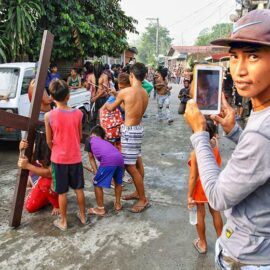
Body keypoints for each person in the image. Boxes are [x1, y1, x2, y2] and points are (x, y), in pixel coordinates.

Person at [184, 9, 270, 269]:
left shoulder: (261, 130)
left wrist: (200, 133)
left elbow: (218, 197)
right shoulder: (261, 115)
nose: (240, 70)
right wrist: (234, 131)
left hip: (247, 255)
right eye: (234, 57)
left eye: (253, 56)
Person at [105, 63, 150, 213]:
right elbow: (129, 109)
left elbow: (112, 108)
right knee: (136, 162)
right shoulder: (144, 92)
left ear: (131, 75)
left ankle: (142, 199)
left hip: (129, 132)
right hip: (137, 129)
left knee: (129, 166)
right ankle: (138, 193)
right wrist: (116, 95)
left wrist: (107, 103)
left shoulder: (126, 92)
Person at [45, 80, 86, 231]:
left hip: (59, 159)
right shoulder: (79, 113)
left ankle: (63, 221)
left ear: (51, 97)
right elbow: (80, 136)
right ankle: (82, 216)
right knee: (79, 189)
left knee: (62, 192)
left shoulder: (49, 116)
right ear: (68, 96)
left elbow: (49, 141)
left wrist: (56, 149)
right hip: (75, 157)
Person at [188, 119, 223, 254]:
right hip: (215, 182)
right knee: (216, 213)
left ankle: (202, 244)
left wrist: (189, 195)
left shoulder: (196, 152)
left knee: (200, 215)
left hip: (201, 187)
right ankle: (222, 243)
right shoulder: (215, 143)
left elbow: (193, 177)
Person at [84, 125, 124, 216]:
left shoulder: (89, 139)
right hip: (120, 159)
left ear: (92, 134)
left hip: (108, 161)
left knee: (97, 183)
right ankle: (118, 204)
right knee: (118, 182)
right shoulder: (106, 142)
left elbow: (91, 157)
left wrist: (95, 170)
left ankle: (100, 209)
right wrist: (96, 171)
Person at [18, 139, 59, 215]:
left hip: (51, 180)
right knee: (30, 206)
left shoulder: (50, 147)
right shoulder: (35, 146)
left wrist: (27, 165)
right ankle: (46, 196)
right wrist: (22, 150)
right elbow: (23, 163)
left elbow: (50, 174)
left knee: (46, 183)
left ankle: (57, 203)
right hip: (39, 179)